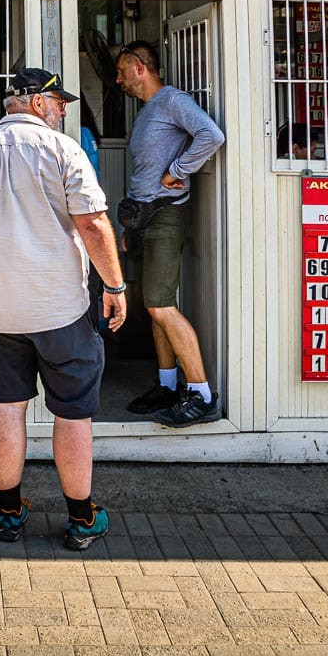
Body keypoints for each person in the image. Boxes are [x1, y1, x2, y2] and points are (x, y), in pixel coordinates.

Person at [0, 68, 126, 551]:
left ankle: (9, 513)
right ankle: (82, 519)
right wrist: (115, 285)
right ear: (38, 103)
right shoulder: (62, 149)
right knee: (72, 414)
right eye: (59, 102)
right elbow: (92, 224)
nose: (64, 110)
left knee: (7, 406)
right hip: (58, 308)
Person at [115, 40, 226, 427]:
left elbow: (211, 136)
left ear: (140, 66)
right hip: (143, 219)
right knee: (151, 306)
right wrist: (130, 227)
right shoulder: (147, 112)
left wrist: (178, 170)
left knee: (162, 305)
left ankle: (202, 395)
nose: (119, 79)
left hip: (165, 215)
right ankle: (167, 386)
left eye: (122, 71)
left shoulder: (173, 100)